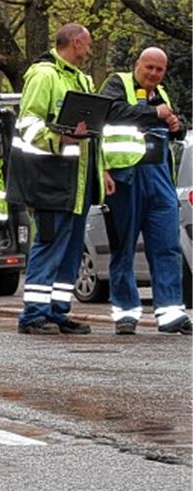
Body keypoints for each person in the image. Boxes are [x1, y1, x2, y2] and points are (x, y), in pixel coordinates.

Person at [7, 23, 111, 335]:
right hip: (50, 180)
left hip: (76, 184)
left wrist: (100, 171)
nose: (90, 50)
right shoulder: (44, 75)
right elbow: (28, 123)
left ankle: (57, 311)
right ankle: (34, 315)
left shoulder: (80, 78)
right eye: (87, 44)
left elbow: (92, 135)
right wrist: (60, 139)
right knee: (49, 245)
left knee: (69, 251)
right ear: (76, 42)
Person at [99, 47, 191, 335]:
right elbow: (110, 111)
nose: (153, 74)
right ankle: (126, 314)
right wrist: (154, 113)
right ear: (136, 64)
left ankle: (171, 313)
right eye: (149, 67)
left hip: (160, 180)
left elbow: (175, 125)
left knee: (167, 246)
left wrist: (177, 124)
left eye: (159, 70)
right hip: (125, 179)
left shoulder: (161, 95)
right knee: (123, 247)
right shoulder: (117, 83)